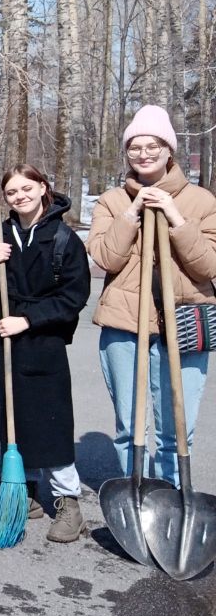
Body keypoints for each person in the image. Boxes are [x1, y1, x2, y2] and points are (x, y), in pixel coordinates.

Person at [88, 105, 216, 488]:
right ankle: (139, 500)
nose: (143, 154)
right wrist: (132, 213)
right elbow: (106, 256)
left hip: (186, 323)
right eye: (134, 147)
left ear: (169, 150)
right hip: (124, 325)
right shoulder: (112, 201)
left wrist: (176, 218)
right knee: (131, 428)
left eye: (153, 145)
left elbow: (209, 266)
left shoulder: (202, 202)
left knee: (177, 429)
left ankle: (174, 504)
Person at [0, 164, 91, 542]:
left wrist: (27, 320)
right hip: (1, 339)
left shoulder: (63, 238)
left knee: (49, 425)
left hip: (42, 344)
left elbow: (73, 297)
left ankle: (68, 502)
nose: (19, 196)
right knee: (11, 420)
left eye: (27, 188)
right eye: (11, 192)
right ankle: (24, 492)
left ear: (43, 188)